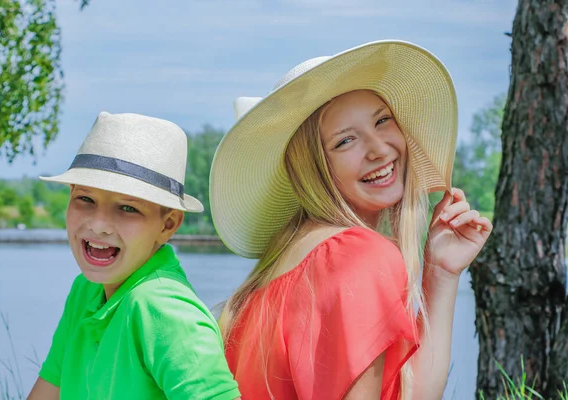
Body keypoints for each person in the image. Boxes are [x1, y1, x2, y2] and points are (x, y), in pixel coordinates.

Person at [209, 40, 492, 400]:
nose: (379, 149)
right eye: (345, 141)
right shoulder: (357, 256)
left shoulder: (273, 278)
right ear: (314, 168)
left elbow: (412, 394)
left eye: (382, 120)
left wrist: (441, 273)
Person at [27, 112, 240, 400]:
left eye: (128, 208)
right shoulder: (85, 291)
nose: (99, 224)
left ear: (168, 225)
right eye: (85, 199)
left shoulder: (163, 309)